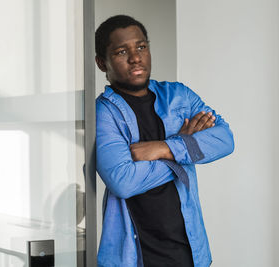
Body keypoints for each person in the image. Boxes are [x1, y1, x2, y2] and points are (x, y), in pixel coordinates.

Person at [95, 15, 234, 267]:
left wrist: (166, 146)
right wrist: (185, 151)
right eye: (121, 51)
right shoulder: (103, 112)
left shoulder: (179, 95)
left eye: (141, 47)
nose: (135, 57)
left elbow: (225, 139)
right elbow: (123, 182)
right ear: (101, 63)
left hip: (191, 254)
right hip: (135, 257)